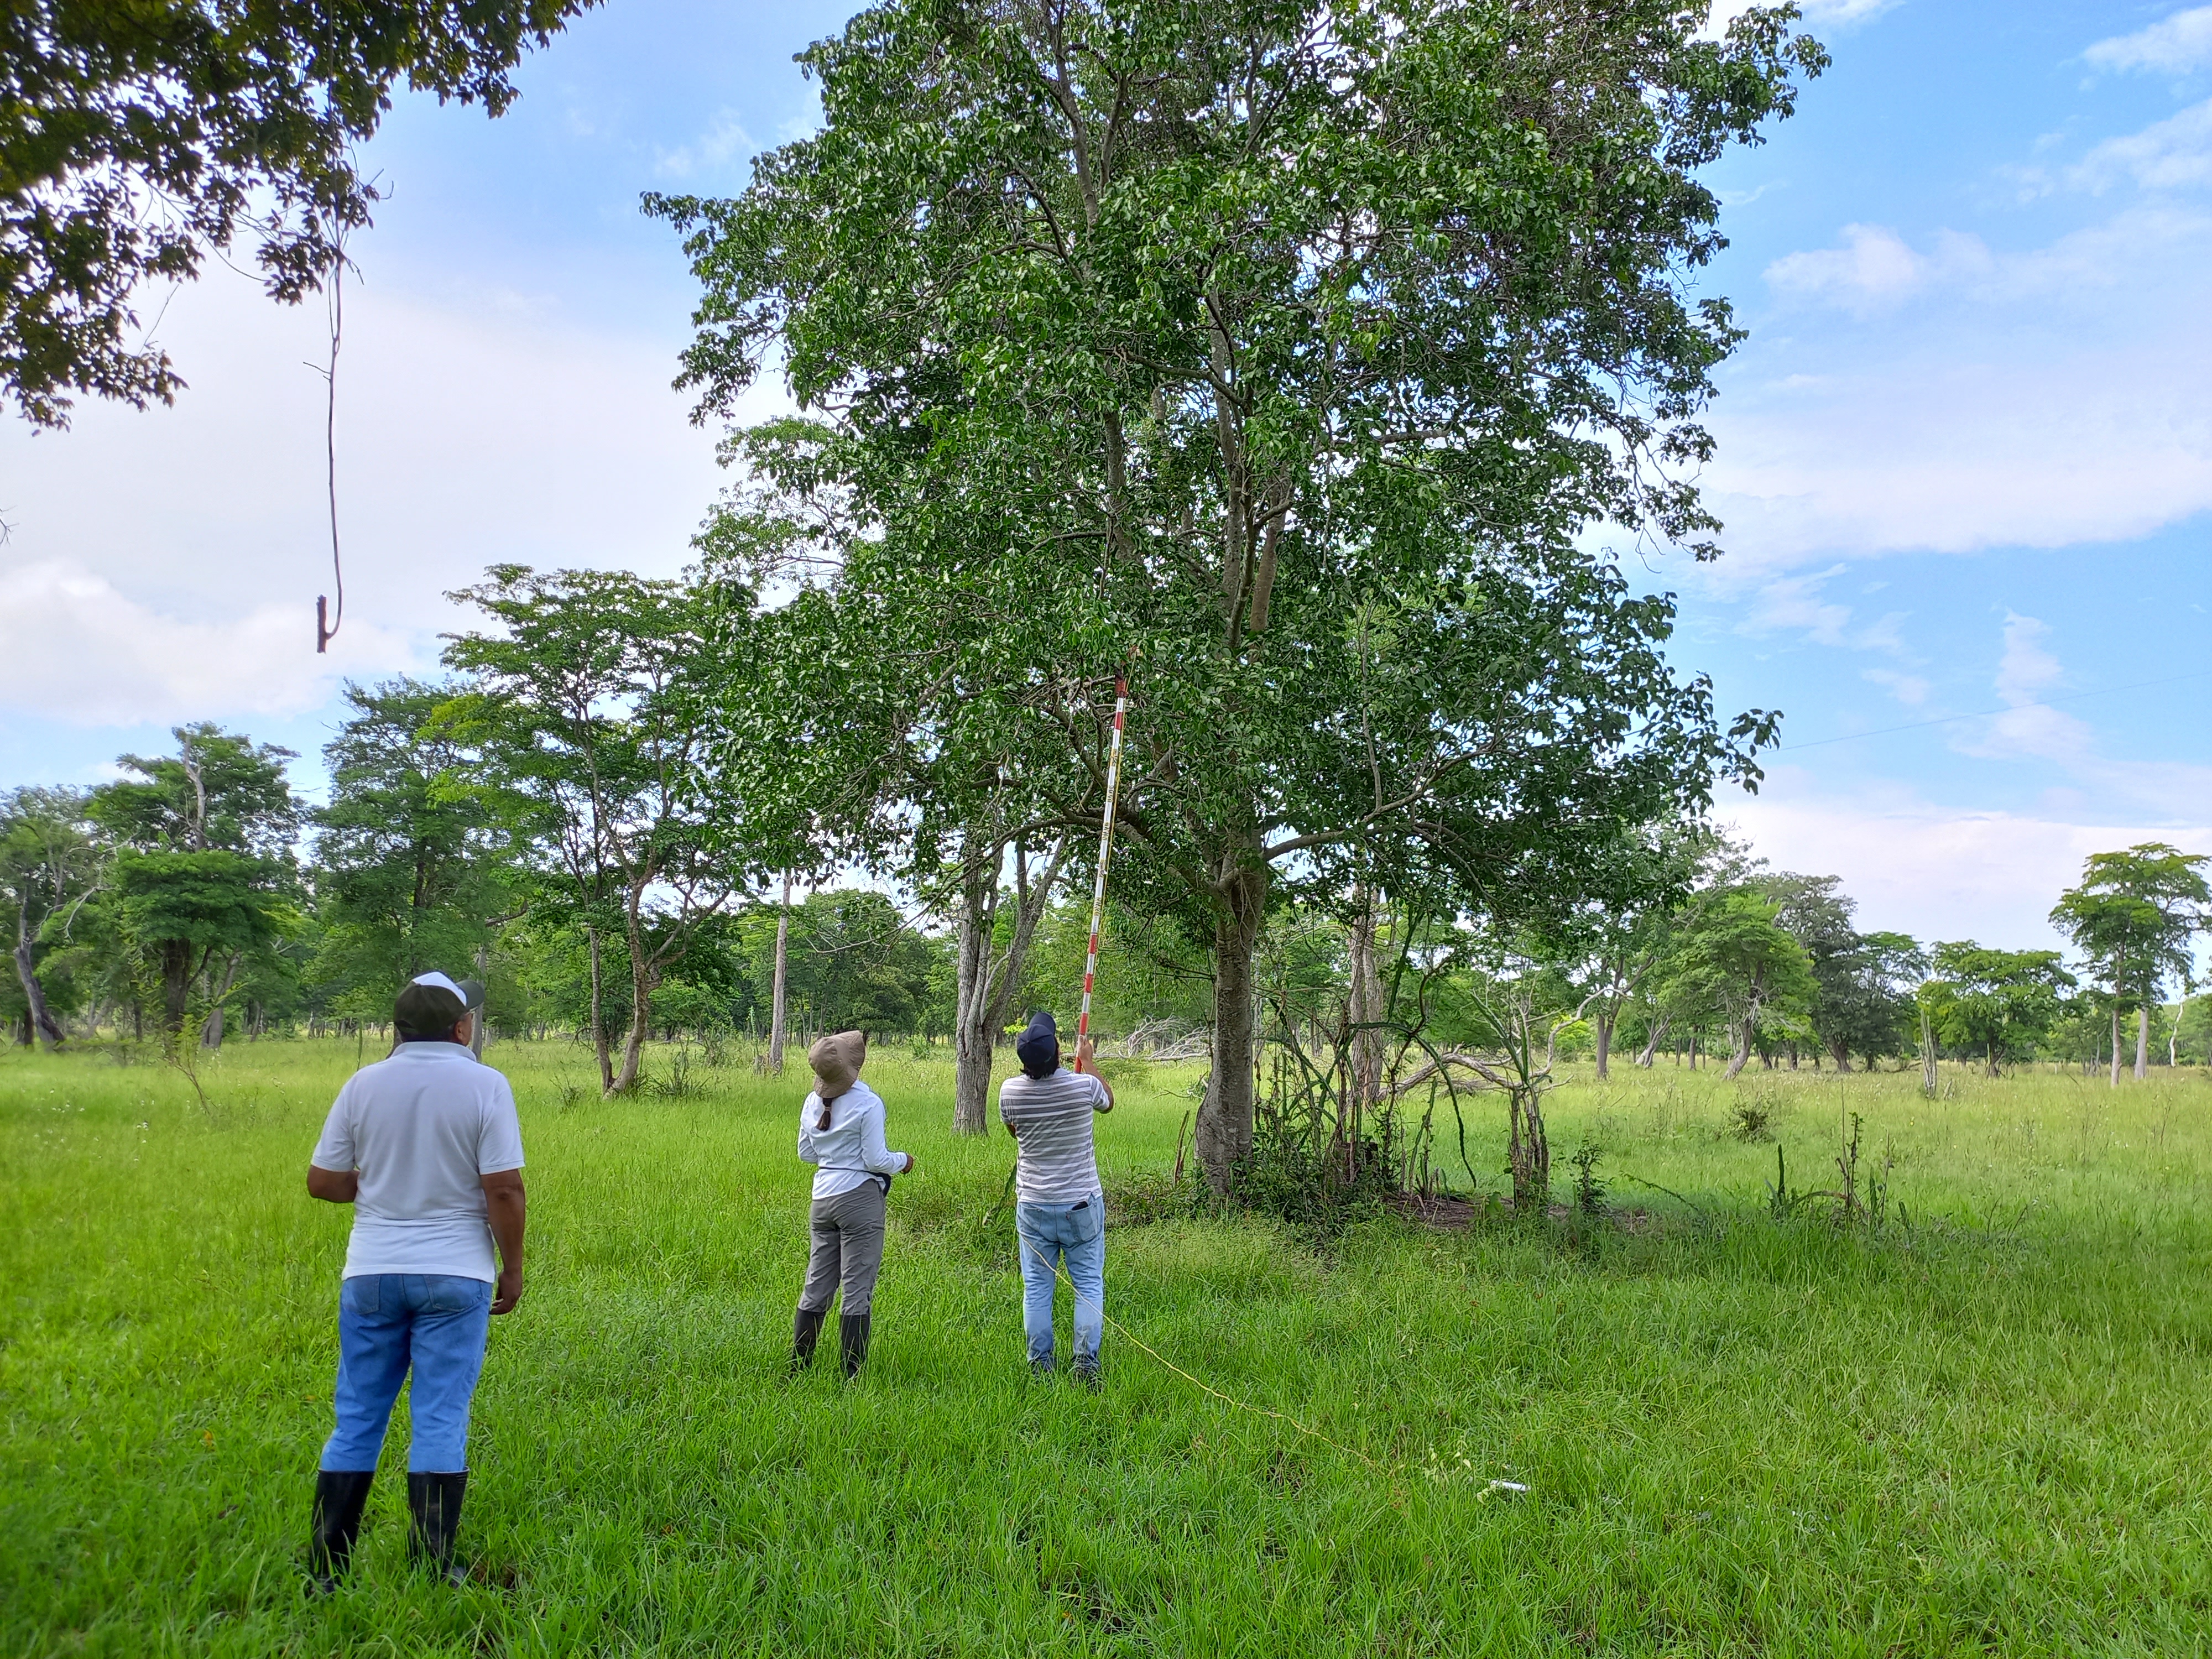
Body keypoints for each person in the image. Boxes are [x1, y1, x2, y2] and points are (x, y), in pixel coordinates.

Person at [304, 971, 525, 1592]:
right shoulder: (485, 1085)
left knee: (357, 1418)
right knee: (439, 1417)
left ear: (397, 1028)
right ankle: (433, 1566)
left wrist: (374, 1186)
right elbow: (503, 1188)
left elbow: (323, 1182)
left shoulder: (361, 1084)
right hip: (456, 1275)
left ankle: (326, 1570)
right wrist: (512, 1267)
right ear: (461, 1028)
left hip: (371, 1271)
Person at [998, 1011, 1114, 1386]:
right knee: (1088, 1285)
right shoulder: (1083, 1087)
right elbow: (1108, 1102)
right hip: (1081, 1204)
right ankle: (1086, 1367)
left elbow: (1015, 1132)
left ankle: (1040, 1367)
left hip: (1032, 1205)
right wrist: (1091, 1063)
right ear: (1058, 1052)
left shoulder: (1010, 1092)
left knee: (1037, 1289)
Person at [792, 1030, 913, 1378]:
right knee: (857, 1288)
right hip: (859, 1199)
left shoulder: (811, 1102)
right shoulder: (868, 1103)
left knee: (816, 1284)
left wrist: (834, 1155)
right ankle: (851, 1375)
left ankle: (799, 1366)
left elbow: (806, 1153)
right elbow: (875, 1159)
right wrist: (902, 1160)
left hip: (822, 1199)